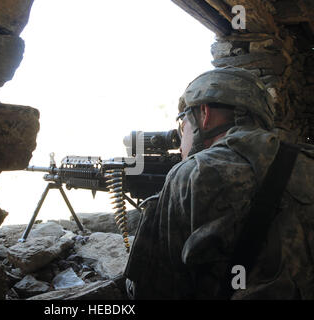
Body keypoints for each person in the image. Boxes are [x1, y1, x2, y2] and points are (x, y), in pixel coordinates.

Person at [124, 67, 314, 299]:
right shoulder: (307, 161)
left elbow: (155, 289)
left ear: (204, 114)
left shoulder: (193, 173)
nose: (181, 137)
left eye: (183, 125)